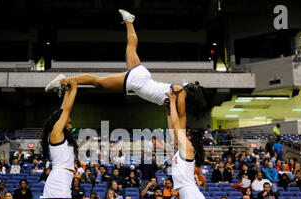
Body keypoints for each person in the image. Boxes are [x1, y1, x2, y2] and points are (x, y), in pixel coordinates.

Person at [45, 9, 208, 130]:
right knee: (98, 82)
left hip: (143, 77)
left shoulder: (178, 94)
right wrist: (181, 134)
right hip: (139, 82)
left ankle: (129, 21)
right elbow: (181, 119)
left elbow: (170, 112)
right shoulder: (181, 94)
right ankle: (62, 80)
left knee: (131, 49)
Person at [165, 90, 210, 199]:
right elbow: (172, 129)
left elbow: (177, 126)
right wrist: (168, 109)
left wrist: (174, 99)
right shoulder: (179, 150)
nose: (177, 137)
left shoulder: (188, 149)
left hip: (191, 198)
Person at [42, 78, 79, 199]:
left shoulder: (61, 133)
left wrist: (67, 91)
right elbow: (66, 111)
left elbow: (64, 110)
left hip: (62, 181)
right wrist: (74, 89)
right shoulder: (56, 133)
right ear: (60, 122)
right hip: (59, 181)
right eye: (67, 120)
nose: (69, 121)